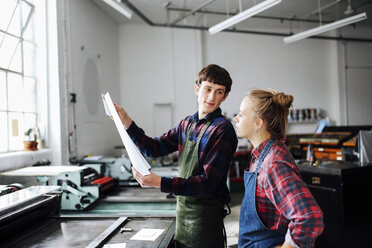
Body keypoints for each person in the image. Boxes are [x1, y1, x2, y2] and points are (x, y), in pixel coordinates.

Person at [114, 64, 238, 248]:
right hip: (183, 215)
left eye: (219, 92)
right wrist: (125, 121)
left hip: (206, 220)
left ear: (225, 96)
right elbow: (153, 148)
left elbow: (208, 183)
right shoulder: (187, 124)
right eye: (208, 89)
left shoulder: (222, 130)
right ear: (197, 89)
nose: (212, 97)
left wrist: (160, 182)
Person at [234, 89, 324, 248]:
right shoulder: (261, 156)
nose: (236, 118)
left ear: (258, 123)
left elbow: (309, 217)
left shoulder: (272, 163)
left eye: (241, 114)